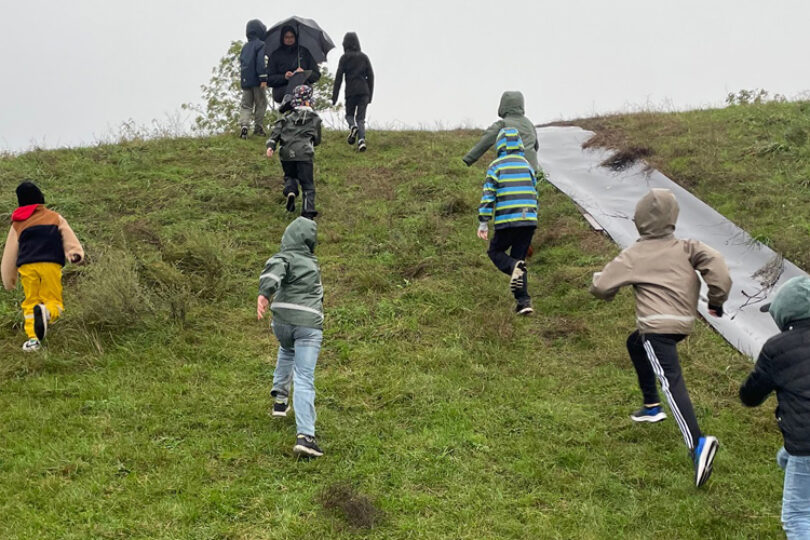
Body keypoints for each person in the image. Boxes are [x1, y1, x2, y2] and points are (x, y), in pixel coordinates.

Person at [590, 188, 731, 488]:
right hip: (682, 323)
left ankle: (697, 444)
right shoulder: (687, 247)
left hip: (657, 328)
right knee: (635, 343)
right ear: (672, 218)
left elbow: (601, 287)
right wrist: (716, 300)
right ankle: (652, 407)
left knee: (671, 381)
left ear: (638, 219)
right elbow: (717, 264)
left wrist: (601, 283)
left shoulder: (635, 254)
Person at [740, 276, 810, 538]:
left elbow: (751, 395)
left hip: (806, 442)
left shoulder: (777, 348)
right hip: (801, 442)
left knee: (797, 517)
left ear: (786, 315)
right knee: (785, 458)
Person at [257, 216, 325, 458]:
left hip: (282, 321)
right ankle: (306, 437)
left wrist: (265, 293)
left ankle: (280, 400)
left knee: (286, 350)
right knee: (304, 377)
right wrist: (265, 292)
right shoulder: (311, 263)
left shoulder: (285, 256)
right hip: (308, 324)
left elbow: (276, 267)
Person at [1, 181, 84, 352]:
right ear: (40, 198)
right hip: (50, 264)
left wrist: (9, 280)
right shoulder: (54, 217)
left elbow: (10, 253)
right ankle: (47, 313)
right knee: (53, 300)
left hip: (27, 267)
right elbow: (68, 235)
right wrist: (74, 253)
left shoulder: (18, 224)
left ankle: (33, 340)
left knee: (31, 301)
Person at [477, 127, 538, 315]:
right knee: (519, 259)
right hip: (529, 219)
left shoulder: (496, 166)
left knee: (495, 251)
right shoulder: (527, 165)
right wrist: (530, 219)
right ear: (519, 144)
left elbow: (489, 195)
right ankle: (523, 302)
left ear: (500, 144)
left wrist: (483, 222)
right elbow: (534, 192)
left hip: (508, 219)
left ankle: (513, 268)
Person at [266, 85, 322, 219]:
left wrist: (271, 146)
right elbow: (317, 140)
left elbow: (276, 132)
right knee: (307, 185)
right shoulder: (314, 118)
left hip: (286, 153)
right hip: (304, 154)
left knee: (290, 176)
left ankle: (291, 191)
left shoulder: (286, 117)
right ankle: (308, 212)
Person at [463, 91, 540, 171]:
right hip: (531, 169)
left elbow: (484, 143)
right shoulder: (529, 124)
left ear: (503, 106)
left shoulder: (502, 124)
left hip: (510, 168)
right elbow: (536, 146)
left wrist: (467, 160)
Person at [331, 32, 374, 152]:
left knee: (349, 115)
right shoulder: (364, 57)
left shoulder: (344, 58)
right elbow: (371, 76)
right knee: (361, 118)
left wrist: (334, 98)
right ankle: (361, 141)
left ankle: (352, 127)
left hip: (351, 92)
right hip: (364, 91)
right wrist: (370, 95)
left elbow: (338, 79)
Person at [266, 25, 321, 105]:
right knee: (296, 87)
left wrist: (304, 73)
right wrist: (284, 77)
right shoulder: (275, 55)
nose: (289, 39)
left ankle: (297, 100)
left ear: (295, 37)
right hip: (282, 91)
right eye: (287, 37)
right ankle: (288, 98)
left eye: (292, 37)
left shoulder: (304, 52)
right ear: (282, 38)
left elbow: (316, 75)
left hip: (303, 89)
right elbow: (268, 79)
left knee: (300, 80)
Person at [238, 19, 269, 139]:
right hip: (257, 80)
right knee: (261, 103)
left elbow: (242, 63)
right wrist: (263, 78)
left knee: (246, 105)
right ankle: (258, 128)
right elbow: (260, 62)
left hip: (246, 81)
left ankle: (244, 125)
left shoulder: (245, 47)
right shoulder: (260, 45)